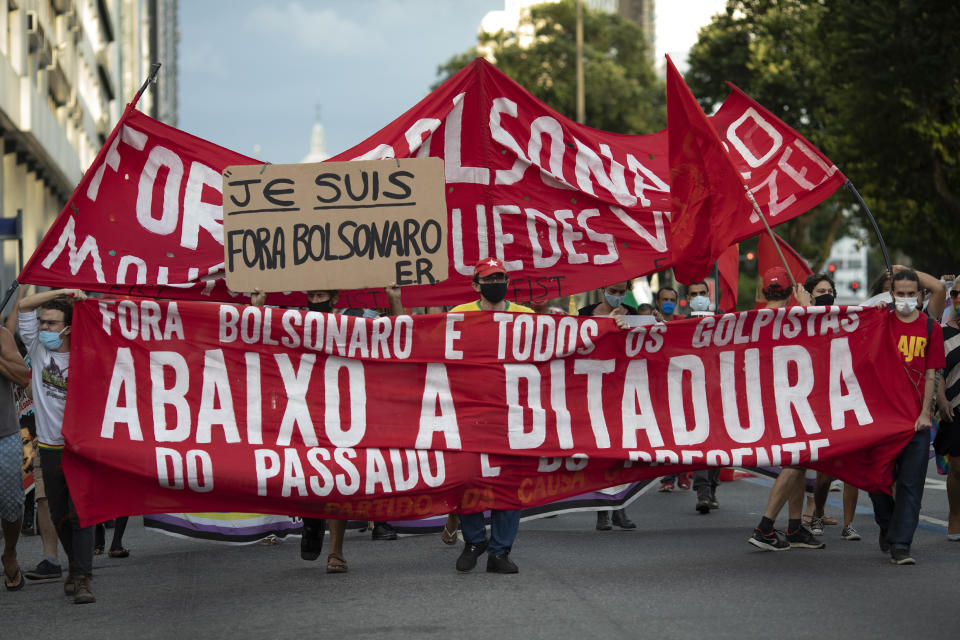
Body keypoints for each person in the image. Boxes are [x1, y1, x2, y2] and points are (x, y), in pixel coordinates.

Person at [252, 286, 403, 572]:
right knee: (305, 474)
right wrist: (258, 304)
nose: (315, 301)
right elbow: (260, 333)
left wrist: (394, 298)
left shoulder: (358, 319)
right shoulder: (295, 321)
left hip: (343, 412)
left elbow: (398, 335)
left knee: (338, 478)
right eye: (312, 296)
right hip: (302, 410)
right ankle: (311, 518)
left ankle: (336, 551)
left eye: (322, 296)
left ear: (335, 298)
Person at [450, 258, 533, 574]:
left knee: (509, 484)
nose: (496, 282)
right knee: (466, 478)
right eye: (489, 278)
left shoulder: (526, 317)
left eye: (500, 277)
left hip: (512, 413)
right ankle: (474, 540)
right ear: (476, 285)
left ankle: (499, 552)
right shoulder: (458, 316)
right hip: (468, 411)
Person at [18, 288, 96, 603]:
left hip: (80, 449)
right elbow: (23, 304)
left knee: (80, 515)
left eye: (52, 323)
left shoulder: (87, 352)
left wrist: (85, 304)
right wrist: (62, 292)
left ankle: (82, 579)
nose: (45, 329)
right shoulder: (37, 348)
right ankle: (76, 566)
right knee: (60, 514)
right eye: (43, 322)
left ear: (69, 327)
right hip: (48, 448)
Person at [869, 268, 945, 564]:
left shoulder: (930, 328)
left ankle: (901, 544)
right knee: (877, 481)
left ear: (920, 295)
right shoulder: (880, 322)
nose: (905, 299)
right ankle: (887, 524)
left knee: (911, 486)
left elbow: (931, 374)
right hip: (883, 420)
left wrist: (925, 413)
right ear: (891, 296)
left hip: (916, 421)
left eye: (910, 294)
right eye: (899, 294)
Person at [747, 267, 824, 551]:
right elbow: (817, 341)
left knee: (799, 462)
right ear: (791, 290)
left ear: (765, 290)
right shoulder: (796, 317)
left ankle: (794, 527)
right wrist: (806, 307)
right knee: (794, 462)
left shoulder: (751, 321)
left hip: (769, 400)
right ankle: (764, 527)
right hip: (789, 401)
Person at [798, 274, 861, 540]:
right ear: (809, 295)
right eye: (820, 290)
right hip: (820, 407)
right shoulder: (799, 321)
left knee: (852, 471)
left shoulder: (844, 320)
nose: (826, 294)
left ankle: (849, 524)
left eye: (829, 289)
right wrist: (804, 310)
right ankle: (818, 513)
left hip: (846, 402)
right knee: (824, 475)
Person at [579, 281, 636, 531]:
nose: (616, 296)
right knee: (600, 451)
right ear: (602, 289)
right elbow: (578, 344)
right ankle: (602, 510)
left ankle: (620, 508)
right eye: (612, 291)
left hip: (621, 387)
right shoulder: (584, 315)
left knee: (621, 452)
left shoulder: (633, 316)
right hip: (592, 388)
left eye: (621, 292)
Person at [685, 281, 722, 513]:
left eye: (702, 293)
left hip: (719, 392)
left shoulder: (724, 320)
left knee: (718, 444)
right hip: (692, 394)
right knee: (699, 444)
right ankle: (703, 492)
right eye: (693, 294)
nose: (698, 297)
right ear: (688, 299)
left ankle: (712, 486)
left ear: (709, 295)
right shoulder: (683, 324)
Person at [1, 314, 31, 591]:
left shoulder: (2, 336)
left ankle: (9, 551)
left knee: (12, 505)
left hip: (4, 435)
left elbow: (24, 377)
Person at [655, 285, 690, 492]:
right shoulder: (650, 322)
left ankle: (684, 475)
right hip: (660, 387)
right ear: (658, 302)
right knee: (666, 435)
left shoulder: (684, 323)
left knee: (682, 434)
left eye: (671, 299)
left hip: (681, 387)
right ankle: (667, 478)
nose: (668, 302)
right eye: (664, 299)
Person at [935, 277, 960, 540]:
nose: (959, 297)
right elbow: (937, 371)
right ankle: (955, 516)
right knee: (957, 468)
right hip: (955, 407)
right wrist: (941, 400)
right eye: (956, 293)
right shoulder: (942, 333)